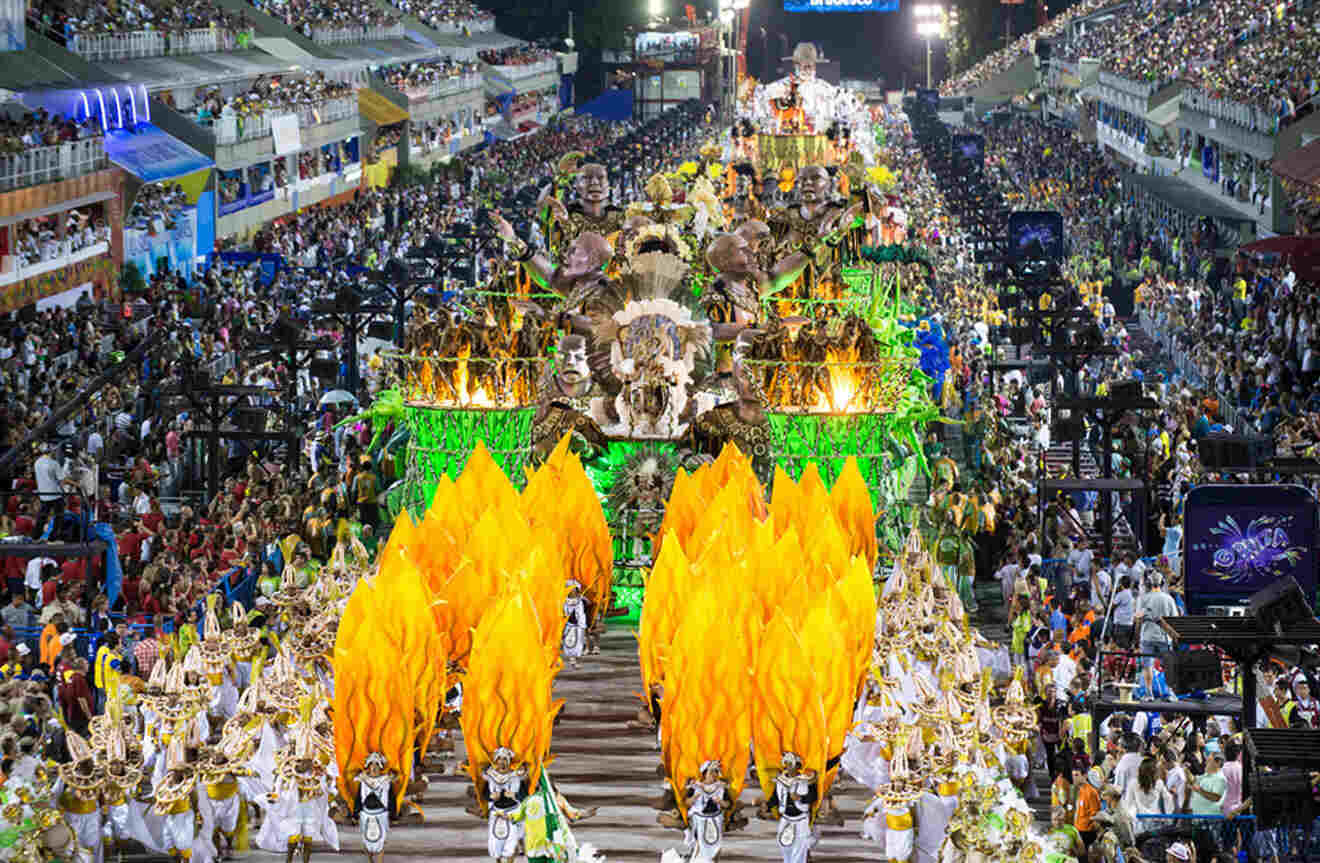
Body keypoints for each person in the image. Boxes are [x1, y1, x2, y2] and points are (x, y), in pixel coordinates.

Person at [353, 752, 396, 863]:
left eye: (376, 765)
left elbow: (391, 798)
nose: (374, 767)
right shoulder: (362, 780)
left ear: (380, 767)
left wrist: (393, 815)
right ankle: (370, 861)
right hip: (365, 814)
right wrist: (355, 813)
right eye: (371, 765)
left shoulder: (386, 781)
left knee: (382, 841)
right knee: (365, 840)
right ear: (368, 766)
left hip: (381, 814)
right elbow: (358, 797)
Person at [1134, 573, 1178, 667]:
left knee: (1147, 668)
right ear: (1162, 583)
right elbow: (1174, 621)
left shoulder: (1142, 599)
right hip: (1164, 639)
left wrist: (1136, 640)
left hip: (1146, 638)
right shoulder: (1169, 599)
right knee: (1167, 669)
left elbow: (1138, 621)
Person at [1188, 751, 1227, 819]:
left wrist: (1199, 790)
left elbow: (1216, 797)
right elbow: (1193, 781)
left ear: (1217, 763)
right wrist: (1186, 771)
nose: (1205, 763)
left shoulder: (1220, 779)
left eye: (1208, 761)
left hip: (1210, 820)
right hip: (1198, 818)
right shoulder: (1205, 775)